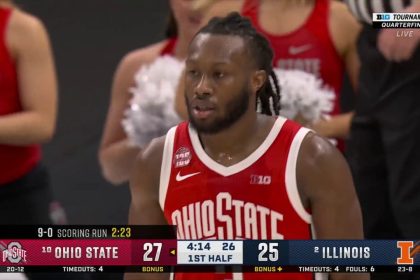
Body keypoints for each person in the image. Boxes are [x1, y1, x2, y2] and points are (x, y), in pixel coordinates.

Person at [126, 12, 368, 280]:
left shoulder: (312, 159)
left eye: (219, 74)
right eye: (193, 73)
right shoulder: (157, 161)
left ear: (257, 81)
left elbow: (350, 274)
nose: (202, 87)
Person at [174, 0, 360, 151]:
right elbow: (184, 101)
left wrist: (317, 128)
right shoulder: (226, 12)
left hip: (314, 165)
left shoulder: (341, 18)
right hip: (239, 164)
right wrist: (241, 128)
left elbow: (375, 112)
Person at [99, 0, 215, 185]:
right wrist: (149, 137)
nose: (197, 6)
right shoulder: (137, 66)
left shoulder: (261, 64)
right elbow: (112, 169)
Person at [344, 1, 420, 279]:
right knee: (370, 195)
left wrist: (416, 16)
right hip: (375, 35)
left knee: (411, 202)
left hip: (409, 34)